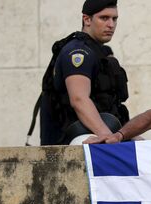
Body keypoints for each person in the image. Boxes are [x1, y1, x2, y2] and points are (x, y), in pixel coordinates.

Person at [39, 0, 130, 145]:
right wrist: (107, 135)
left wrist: (128, 135)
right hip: (76, 140)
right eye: (104, 18)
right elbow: (79, 99)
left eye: (114, 19)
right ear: (87, 19)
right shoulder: (79, 52)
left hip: (99, 133)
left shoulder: (98, 53)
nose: (111, 25)